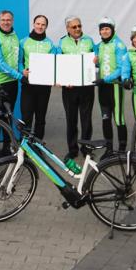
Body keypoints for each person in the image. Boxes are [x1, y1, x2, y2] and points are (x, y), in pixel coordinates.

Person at [59, 16, 95, 172]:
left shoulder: (89, 41)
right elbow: (57, 63)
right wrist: (59, 79)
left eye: (79, 26)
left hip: (87, 86)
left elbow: (96, 60)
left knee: (86, 119)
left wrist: (96, 61)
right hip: (69, 88)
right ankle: (72, 149)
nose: (77, 29)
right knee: (71, 119)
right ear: (67, 28)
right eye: (73, 27)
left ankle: (86, 148)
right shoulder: (61, 42)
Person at [0, 11, 23, 146]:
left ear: (12, 21)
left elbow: (18, 59)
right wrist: (19, 75)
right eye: (3, 20)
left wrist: (22, 71)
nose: (6, 22)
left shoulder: (15, 36)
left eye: (9, 20)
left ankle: (7, 146)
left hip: (12, 82)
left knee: (9, 114)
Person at [94, 17, 130, 154]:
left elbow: (122, 68)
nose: (104, 31)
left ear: (112, 30)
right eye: (102, 29)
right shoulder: (99, 46)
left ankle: (121, 150)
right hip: (103, 87)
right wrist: (96, 63)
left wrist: (105, 79)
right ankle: (108, 150)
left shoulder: (119, 45)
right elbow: (100, 65)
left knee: (119, 118)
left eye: (107, 28)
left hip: (115, 86)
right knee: (105, 118)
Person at [20, 15, 58, 139]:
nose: (40, 26)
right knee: (26, 118)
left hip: (44, 86)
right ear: (33, 24)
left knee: (40, 119)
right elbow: (19, 62)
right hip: (28, 85)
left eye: (43, 24)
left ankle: (37, 147)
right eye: (38, 23)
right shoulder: (23, 41)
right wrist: (22, 71)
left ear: (46, 26)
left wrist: (54, 78)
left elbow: (53, 64)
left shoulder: (50, 44)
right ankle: (24, 148)